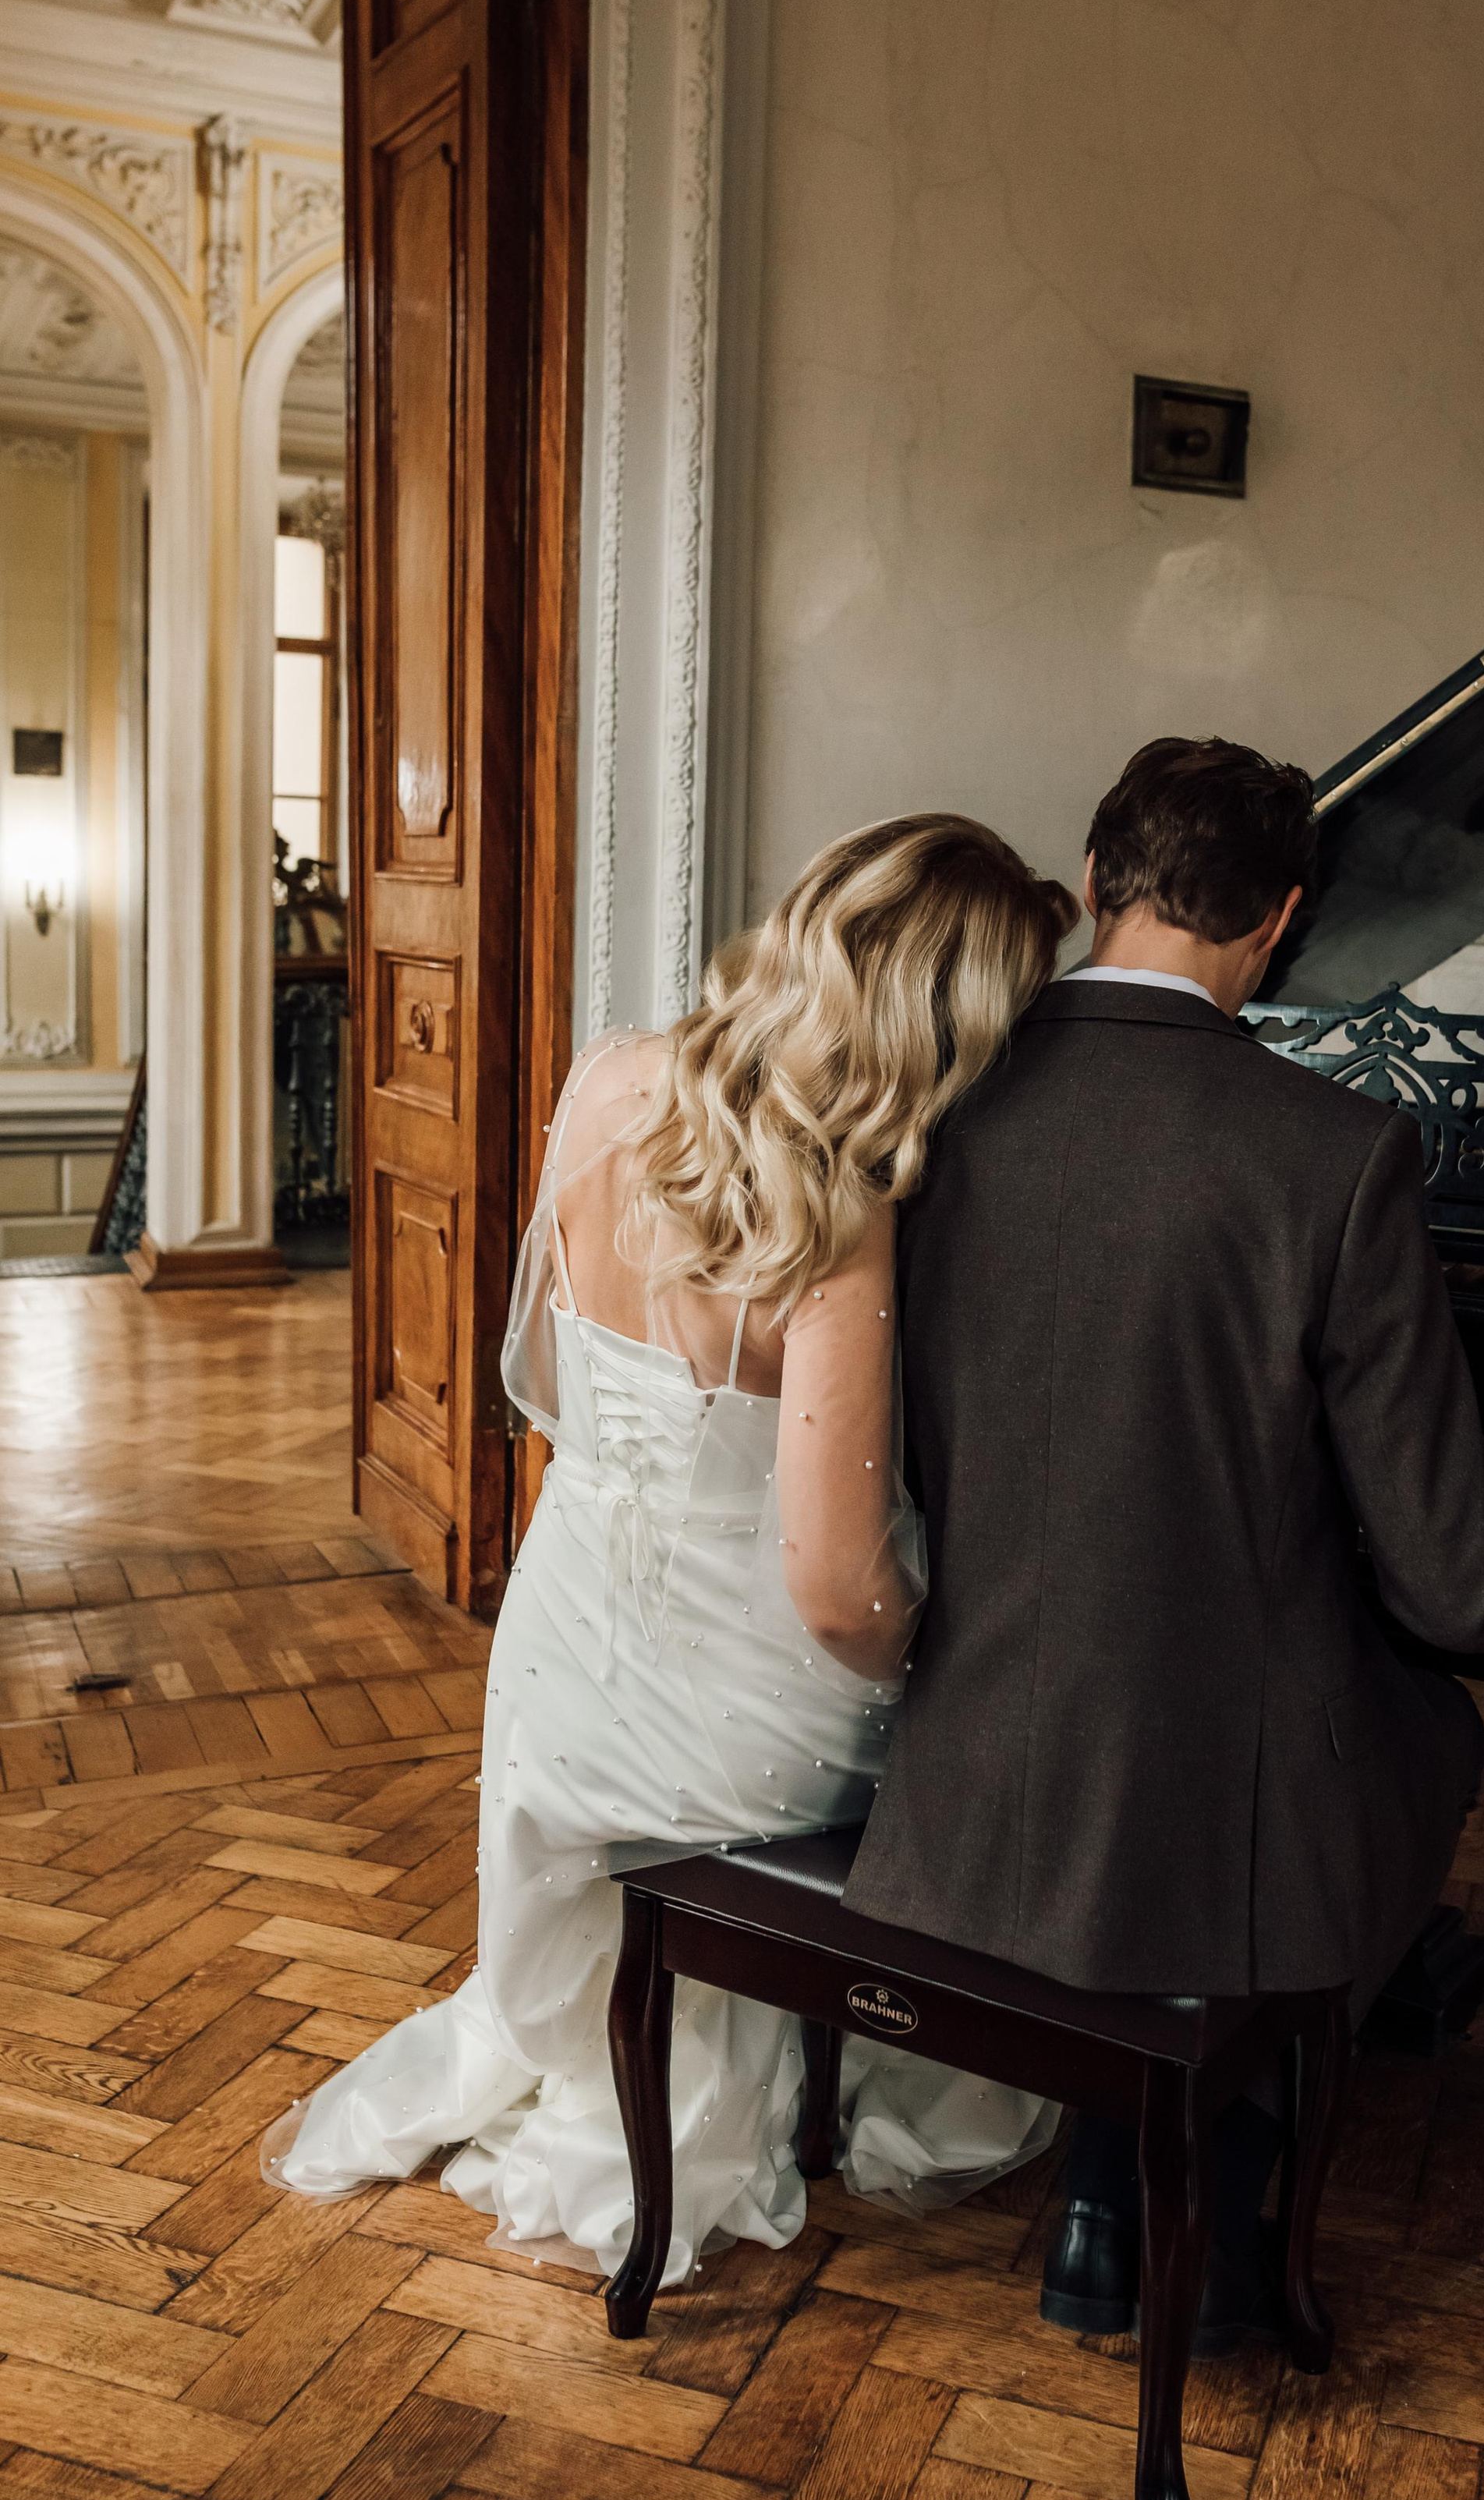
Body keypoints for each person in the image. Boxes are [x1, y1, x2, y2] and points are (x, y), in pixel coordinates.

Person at [843, 736, 1484, 2344]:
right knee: (1426, 1734)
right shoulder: (1337, 1156)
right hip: (1194, 1799)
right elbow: (1452, 1581)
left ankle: (1114, 2180)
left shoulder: (938, 1095)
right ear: (1284, 918)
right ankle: (1217, 2151)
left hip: (967, 1753)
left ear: (1092, 884)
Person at [265, 813, 1076, 2282]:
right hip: (746, 1719)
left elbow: (571, 1397)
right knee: (1012, 1721)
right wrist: (935, 1658)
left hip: (563, 1660)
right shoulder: (840, 1205)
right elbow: (836, 1594)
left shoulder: (611, 1082)